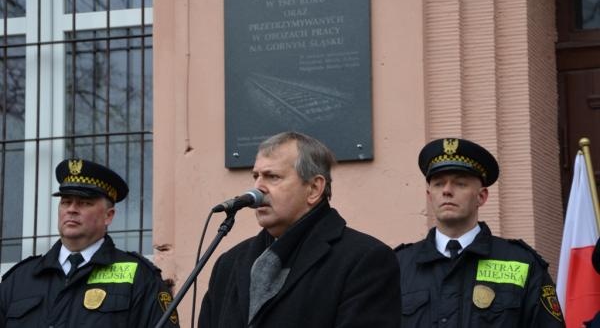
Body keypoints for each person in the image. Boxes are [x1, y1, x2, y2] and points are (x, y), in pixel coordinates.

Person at [199, 131, 401, 327]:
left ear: (314, 189)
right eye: (256, 176)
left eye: (273, 177)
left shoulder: (364, 260)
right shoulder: (229, 263)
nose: (257, 188)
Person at [395, 137, 565, 327]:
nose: (447, 191)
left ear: (481, 197)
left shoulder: (520, 263)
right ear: (429, 195)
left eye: (460, 184)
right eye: (438, 184)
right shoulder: (399, 266)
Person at [0, 159, 179, 327]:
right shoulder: (19, 280)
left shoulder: (140, 278)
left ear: (108, 216)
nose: (71, 209)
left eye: (84, 203)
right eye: (66, 202)